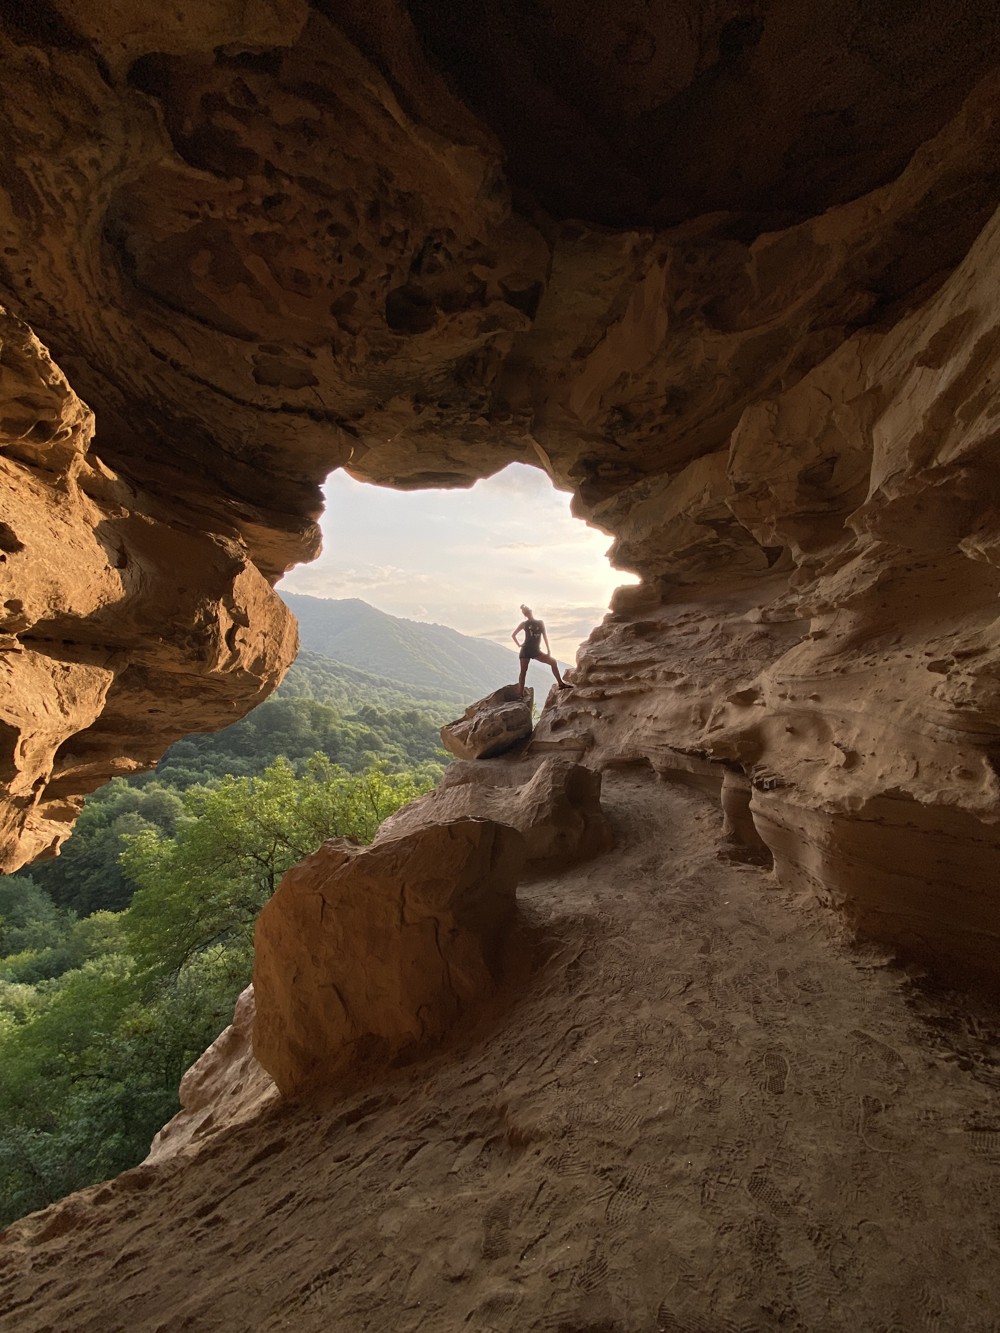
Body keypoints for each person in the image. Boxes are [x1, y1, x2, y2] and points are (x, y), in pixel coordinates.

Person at [511, 604, 570, 697]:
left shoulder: (539, 623)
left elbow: (545, 636)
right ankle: (520, 694)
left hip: (535, 650)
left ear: (530, 612)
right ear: (525, 615)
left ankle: (560, 684)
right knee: (523, 671)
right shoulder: (524, 624)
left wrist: (548, 649)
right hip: (526, 650)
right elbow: (513, 635)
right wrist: (519, 645)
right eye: (527, 612)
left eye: (528, 611)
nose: (528, 613)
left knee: (553, 662)